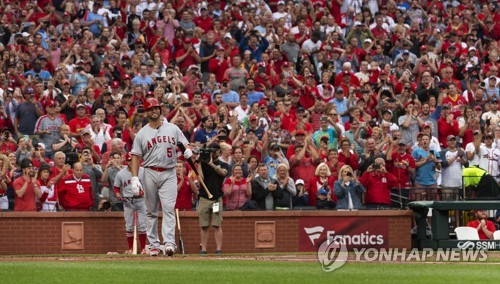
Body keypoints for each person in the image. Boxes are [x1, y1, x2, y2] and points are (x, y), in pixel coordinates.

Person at [130, 98, 192, 257]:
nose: (154, 111)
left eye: (156, 108)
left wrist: (188, 151)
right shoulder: (142, 133)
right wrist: (135, 178)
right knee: (150, 210)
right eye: (150, 109)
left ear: (160, 109)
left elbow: (185, 145)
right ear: (146, 112)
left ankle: (169, 243)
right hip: (150, 171)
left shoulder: (173, 128)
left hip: (169, 172)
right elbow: (136, 156)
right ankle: (154, 245)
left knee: (168, 208)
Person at [196, 141, 229, 254]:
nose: (214, 153)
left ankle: (218, 249)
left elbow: (223, 173)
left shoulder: (223, 164)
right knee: (204, 225)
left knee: (216, 224)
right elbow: (200, 178)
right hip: (204, 198)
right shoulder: (203, 164)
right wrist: (200, 163)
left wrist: (211, 163)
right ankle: (203, 249)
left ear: (219, 152)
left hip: (216, 199)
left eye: (216, 151)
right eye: (212, 151)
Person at [113, 153, 147, 254]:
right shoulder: (121, 174)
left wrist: (145, 191)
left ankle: (144, 248)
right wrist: (118, 194)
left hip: (141, 200)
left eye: (132, 160)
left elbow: (149, 184)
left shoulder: (143, 171)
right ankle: (131, 249)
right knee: (129, 226)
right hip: (128, 201)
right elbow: (116, 187)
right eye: (128, 160)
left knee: (142, 225)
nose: (130, 162)